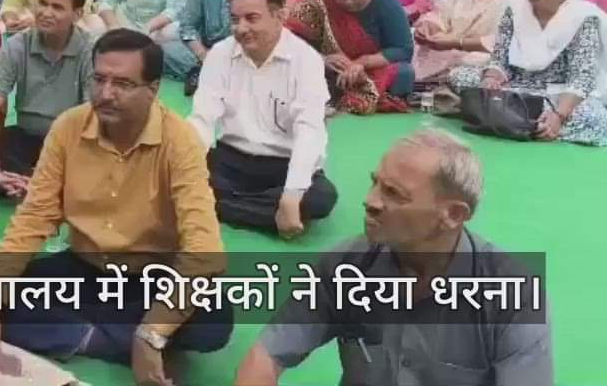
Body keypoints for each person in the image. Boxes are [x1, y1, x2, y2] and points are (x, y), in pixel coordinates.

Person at [0, 30, 232, 384]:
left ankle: (116, 334)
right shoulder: (68, 128)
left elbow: (204, 250)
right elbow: (32, 219)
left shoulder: (180, 141)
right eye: (99, 79)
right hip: (84, 267)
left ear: (152, 90)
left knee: (213, 321)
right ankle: (106, 340)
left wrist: (153, 329)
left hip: (151, 277)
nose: (106, 94)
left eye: (123, 83)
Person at [235, 130, 553, 386]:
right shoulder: (344, 267)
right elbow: (266, 356)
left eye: (394, 193)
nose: (370, 201)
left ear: (453, 214)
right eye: (375, 182)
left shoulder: (515, 295)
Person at [189, 0, 336, 237]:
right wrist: (187, 169)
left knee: (320, 198)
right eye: (235, 20)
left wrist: (291, 196)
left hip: (282, 166)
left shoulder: (306, 59)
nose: (241, 28)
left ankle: (215, 207)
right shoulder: (221, 54)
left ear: (279, 16)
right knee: (173, 175)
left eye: (251, 18)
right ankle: (265, 213)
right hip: (229, 161)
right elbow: (202, 118)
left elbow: (310, 132)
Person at [451, 0, 607, 146]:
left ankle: (513, 119)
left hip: (559, 95)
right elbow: (499, 59)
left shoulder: (582, 17)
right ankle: (528, 122)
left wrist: (559, 115)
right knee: (460, 75)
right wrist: (492, 77)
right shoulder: (515, 11)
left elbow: (582, 78)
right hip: (517, 87)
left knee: (591, 116)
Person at [0, 0, 94, 196]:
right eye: (42, 3)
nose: (46, 13)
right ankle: (42, 186)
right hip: (27, 136)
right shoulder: (17, 45)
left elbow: (94, 117)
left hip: (72, 142)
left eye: (57, 7)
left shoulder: (91, 50)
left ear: (77, 14)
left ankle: (27, 185)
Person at [287, 0, 414, 114]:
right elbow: (290, 40)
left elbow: (403, 50)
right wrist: (322, 59)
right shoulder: (320, 0)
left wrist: (362, 63)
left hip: (372, 71)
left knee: (404, 73)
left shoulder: (387, 4)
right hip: (332, 70)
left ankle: (365, 100)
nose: (348, 2)